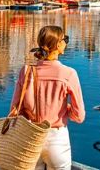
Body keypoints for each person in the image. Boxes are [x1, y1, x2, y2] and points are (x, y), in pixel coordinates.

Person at [11, 25, 85, 170]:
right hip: (57, 139)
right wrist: (65, 109)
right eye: (65, 39)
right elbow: (79, 116)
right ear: (58, 45)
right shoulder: (68, 74)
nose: (66, 42)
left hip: (31, 137)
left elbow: (15, 109)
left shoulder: (26, 71)